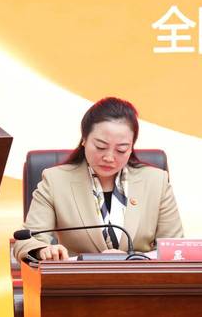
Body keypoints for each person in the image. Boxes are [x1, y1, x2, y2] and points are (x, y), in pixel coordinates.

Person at [13, 97, 183, 262]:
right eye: (100, 146)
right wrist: (42, 250)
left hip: (141, 280)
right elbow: (25, 242)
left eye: (121, 150)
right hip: (77, 280)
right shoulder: (55, 181)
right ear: (84, 139)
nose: (109, 157)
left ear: (131, 147)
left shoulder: (157, 181)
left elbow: (176, 250)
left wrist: (130, 260)